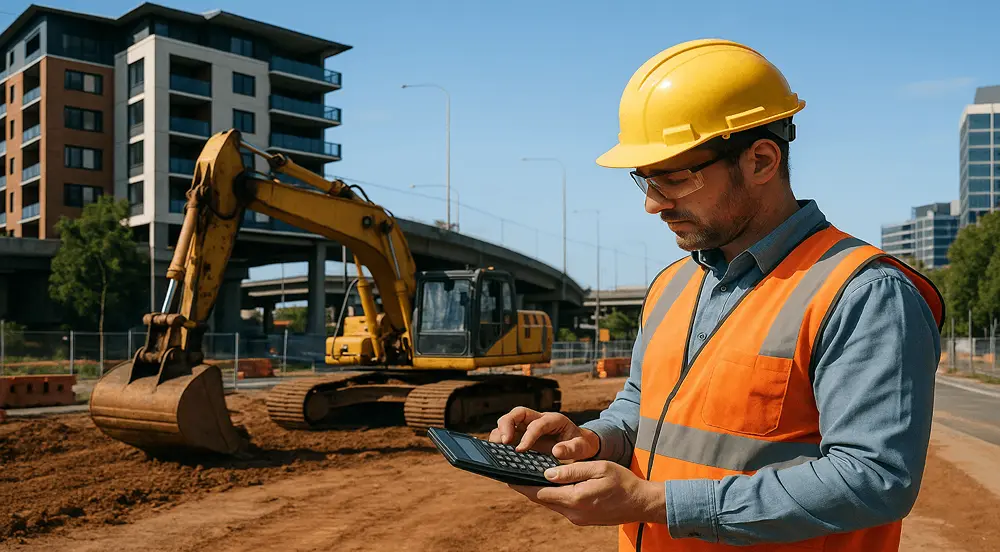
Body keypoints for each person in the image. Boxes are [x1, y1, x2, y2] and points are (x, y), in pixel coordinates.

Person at [489, 38, 944, 551]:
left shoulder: (863, 294)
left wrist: (658, 503)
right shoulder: (672, 285)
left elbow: (875, 479)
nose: (653, 205)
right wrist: (592, 438)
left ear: (761, 160)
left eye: (673, 178)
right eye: (645, 181)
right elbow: (642, 406)